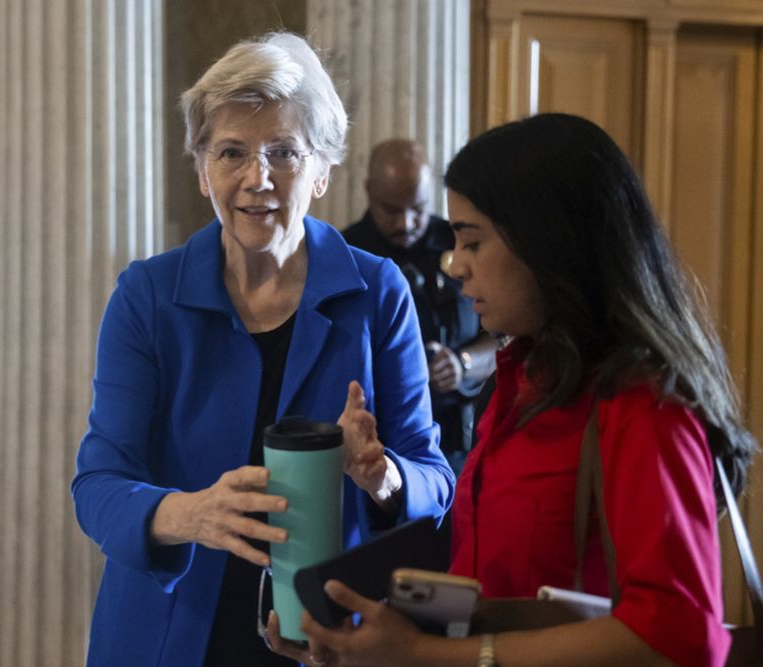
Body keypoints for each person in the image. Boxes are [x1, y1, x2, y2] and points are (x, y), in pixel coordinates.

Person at [270, 113, 756, 666]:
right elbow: (486, 579)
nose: (454, 265)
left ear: (550, 245)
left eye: (472, 242)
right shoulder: (523, 379)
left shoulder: (641, 402)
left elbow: (682, 635)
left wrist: (430, 655)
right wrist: (365, 641)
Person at [71, 31, 455, 667]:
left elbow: (433, 481)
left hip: (326, 634)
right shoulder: (146, 296)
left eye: (284, 152)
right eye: (232, 152)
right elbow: (98, 485)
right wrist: (189, 514)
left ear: (322, 171)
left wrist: (381, 475)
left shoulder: (378, 290)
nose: (258, 178)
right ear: (203, 171)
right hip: (167, 634)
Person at [342, 139, 497, 471]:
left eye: (418, 208)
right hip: (382, 449)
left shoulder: (463, 242)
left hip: (464, 441)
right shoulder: (343, 254)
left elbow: (503, 337)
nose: (405, 223)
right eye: (391, 210)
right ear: (369, 191)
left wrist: (462, 364)